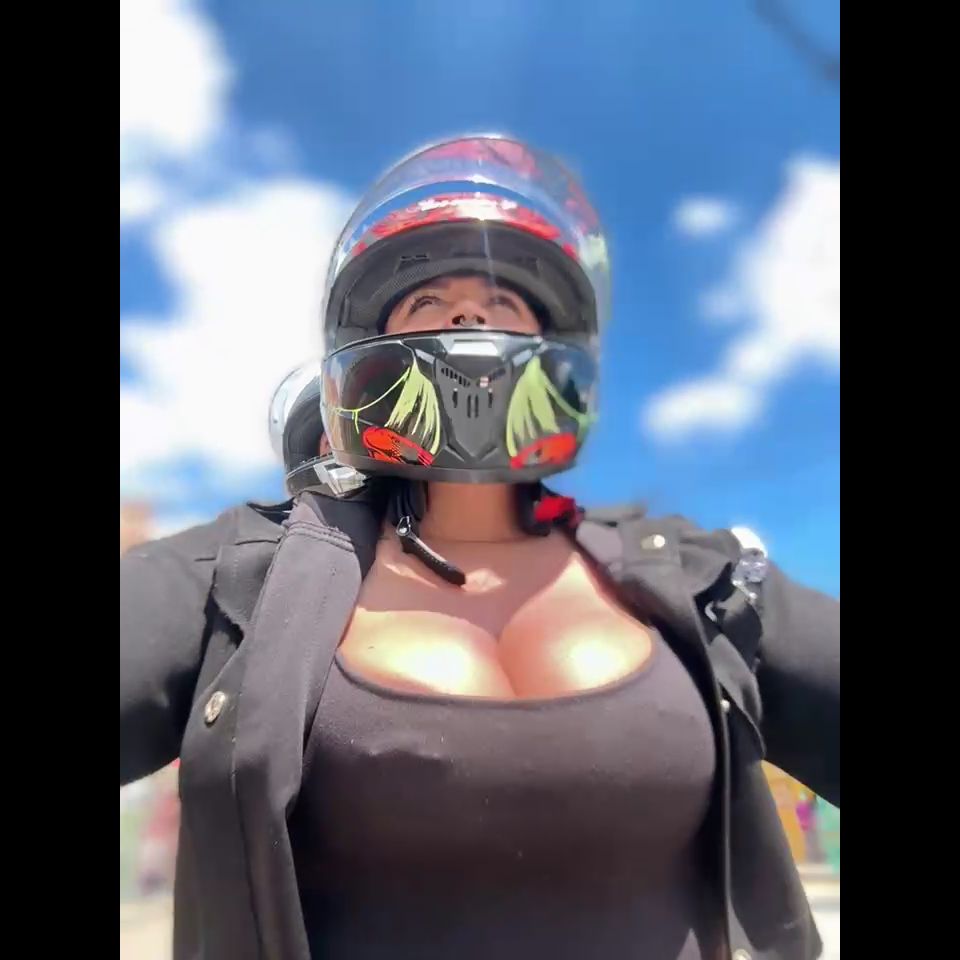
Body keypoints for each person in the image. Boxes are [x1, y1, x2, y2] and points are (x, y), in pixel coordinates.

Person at [120, 135, 839, 960]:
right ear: (362, 351)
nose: (467, 316)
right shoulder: (242, 572)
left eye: (501, 300)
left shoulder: (698, 577)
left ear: (557, 347)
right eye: (428, 300)